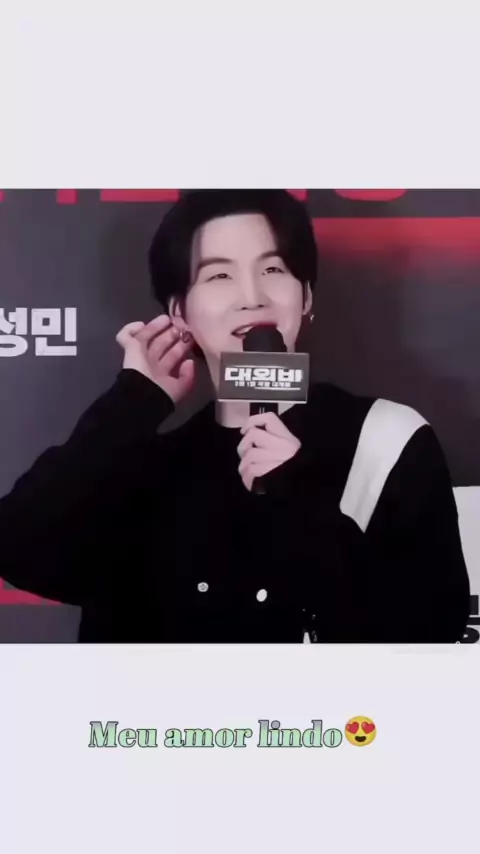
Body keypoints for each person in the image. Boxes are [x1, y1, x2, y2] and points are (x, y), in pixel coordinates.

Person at [0, 189, 471, 642]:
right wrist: (134, 401)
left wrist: (302, 497)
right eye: (219, 275)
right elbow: (20, 546)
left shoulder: (385, 439)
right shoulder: (146, 471)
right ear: (179, 312)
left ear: (306, 296)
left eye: (272, 268)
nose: (252, 296)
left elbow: (430, 628)